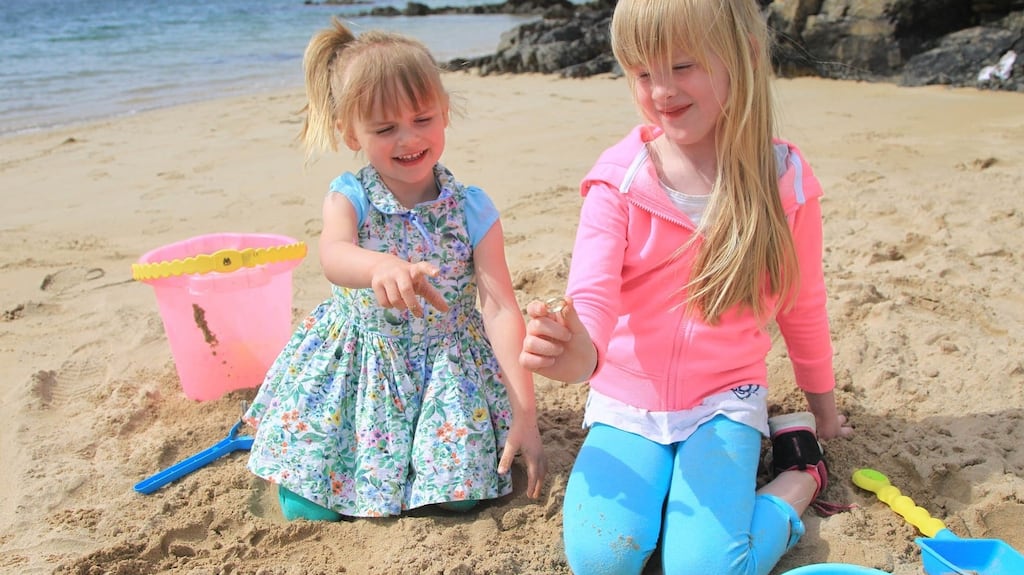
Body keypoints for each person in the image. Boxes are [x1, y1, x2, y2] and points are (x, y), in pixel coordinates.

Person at [519, 0, 852, 573]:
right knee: (602, 560)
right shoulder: (619, 180)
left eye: (682, 66)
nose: (661, 91)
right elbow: (592, 297)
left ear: (744, 56)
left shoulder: (783, 182)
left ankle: (801, 474)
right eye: (642, 72)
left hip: (724, 401)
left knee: (706, 568)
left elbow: (802, 305)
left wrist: (823, 410)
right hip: (628, 401)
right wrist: (577, 353)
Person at [244, 18, 547, 521]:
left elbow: (499, 308)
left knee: (459, 497)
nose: (408, 139)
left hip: (445, 366)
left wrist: (526, 414)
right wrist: (379, 266)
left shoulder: (472, 208)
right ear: (350, 132)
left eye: (422, 119)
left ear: (445, 112)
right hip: (361, 364)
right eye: (385, 129)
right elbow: (333, 254)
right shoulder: (351, 196)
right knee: (308, 508)